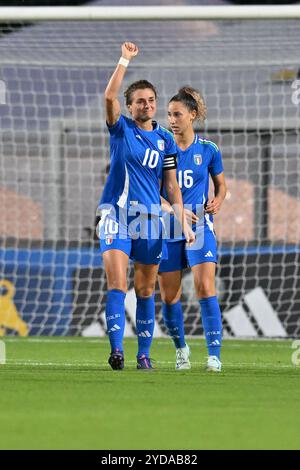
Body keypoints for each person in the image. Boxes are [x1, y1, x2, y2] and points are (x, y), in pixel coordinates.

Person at [98, 43, 195, 370]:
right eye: (140, 101)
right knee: (116, 283)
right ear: (129, 106)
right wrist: (125, 59)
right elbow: (109, 97)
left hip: (150, 220)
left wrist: (181, 219)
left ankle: (143, 354)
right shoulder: (120, 128)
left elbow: (170, 184)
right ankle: (116, 351)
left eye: (151, 100)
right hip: (116, 215)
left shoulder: (166, 139)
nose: (147, 105)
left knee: (144, 290)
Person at [159, 86, 227, 372]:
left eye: (177, 114)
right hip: (167, 228)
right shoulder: (161, 147)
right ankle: (181, 350)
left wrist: (218, 200)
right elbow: (152, 191)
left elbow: (222, 185)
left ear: (192, 115)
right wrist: (172, 209)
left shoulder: (209, 149)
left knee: (205, 287)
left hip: (200, 226)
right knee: (169, 296)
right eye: (169, 115)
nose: (172, 120)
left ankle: (214, 356)